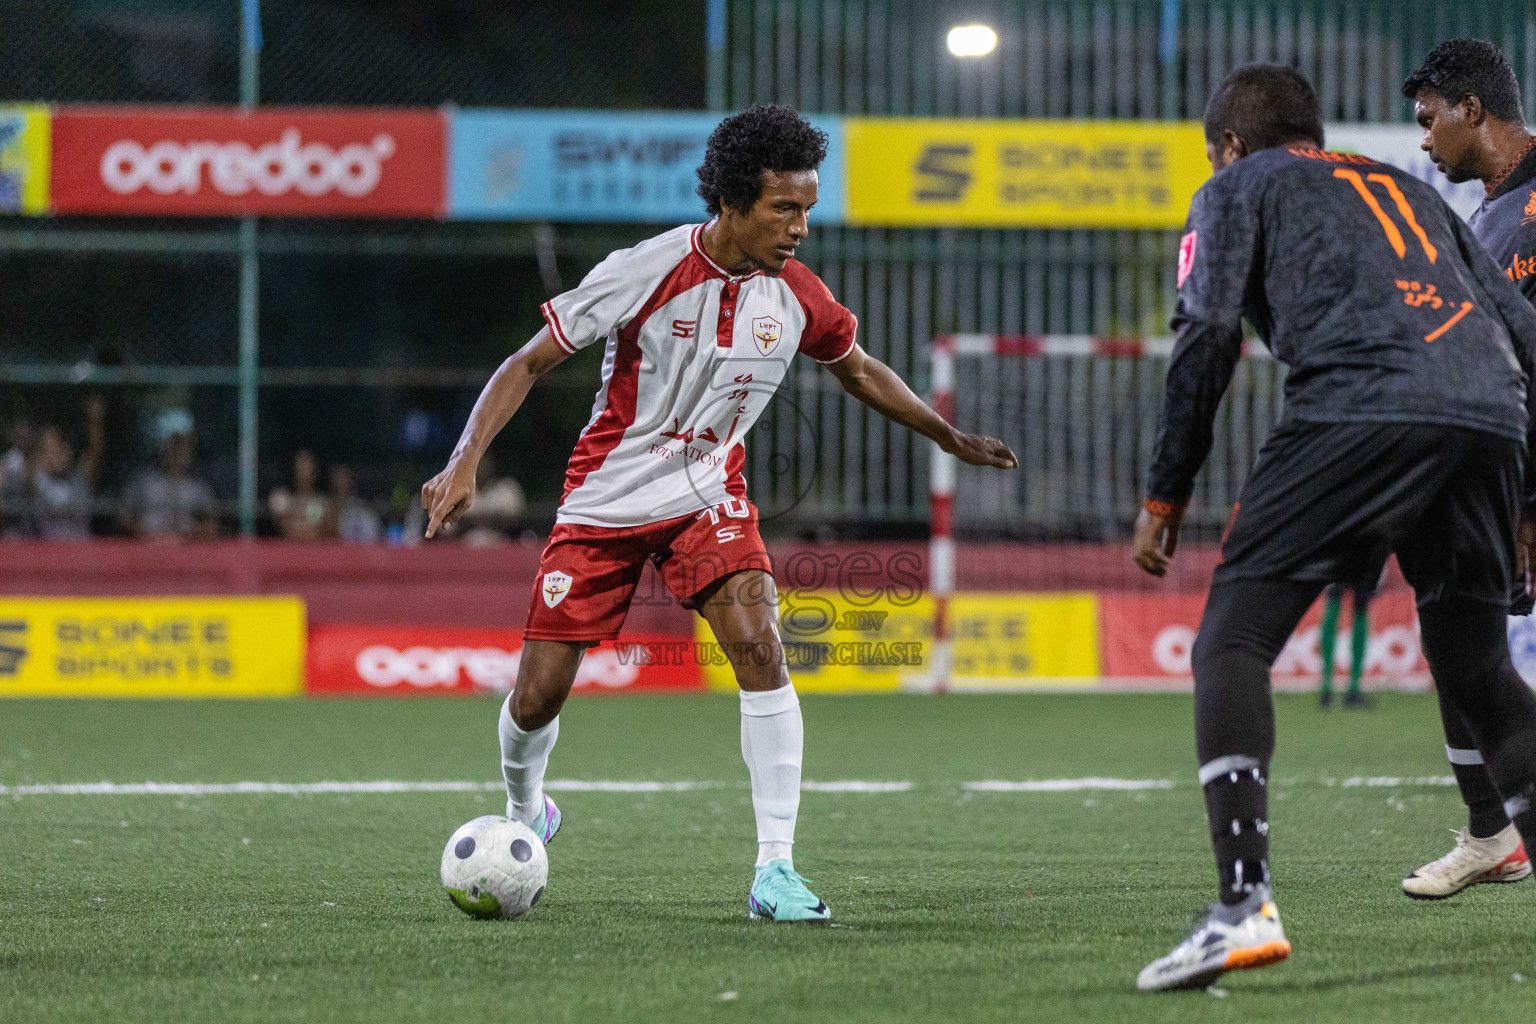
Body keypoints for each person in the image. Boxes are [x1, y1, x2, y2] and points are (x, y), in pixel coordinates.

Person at [421, 104, 1016, 923]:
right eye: (785, 208)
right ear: (734, 202)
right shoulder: (647, 268)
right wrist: (464, 459)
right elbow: (527, 362)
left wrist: (946, 435)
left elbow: (862, 369)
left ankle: (776, 870)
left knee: (762, 646)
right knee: (536, 699)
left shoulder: (797, 294)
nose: (801, 225)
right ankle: (529, 813)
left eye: (808, 207)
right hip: (607, 498)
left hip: (709, 496)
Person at [1131, 63, 1536, 991]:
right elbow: (1525, 333)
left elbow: (1206, 333)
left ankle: (1242, 905)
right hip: (1490, 414)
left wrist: (1165, 496)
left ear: (1230, 146)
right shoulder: (1412, 190)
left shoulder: (1235, 186)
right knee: (1478, 667)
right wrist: (1529, 497)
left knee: (1231, 639)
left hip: (1359, 402)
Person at [1402, 37, 1536, 898]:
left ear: (1472, 112)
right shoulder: (1489, 217)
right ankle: (1492, 833)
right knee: (1459, 638)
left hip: (1521, 495)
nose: (1424, 142)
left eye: (1428, 122)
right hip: (1498, 482)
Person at [120, 413, 219, 540]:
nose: (177, 451)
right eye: (173, 445)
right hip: (147, 549)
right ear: (163, 447)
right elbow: (124, 517)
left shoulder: (198, 487)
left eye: (183, 445)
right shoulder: (143, 482)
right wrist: (146, 535)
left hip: (187, 551)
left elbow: (211, 525)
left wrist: (188, 535)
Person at [30, 397, 104, 539]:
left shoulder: (81, 477)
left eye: (63, 450)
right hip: (49, 555)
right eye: (53, 450)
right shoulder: (37, 479)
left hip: (81, 554)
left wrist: (96, 422)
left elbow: (96, 451)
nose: (60, 455)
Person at [1316, 568, 1381, 709]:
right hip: (1361, 556)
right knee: (1356, 609)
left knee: (1338, 605)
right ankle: (1349, 688)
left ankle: (1331, 688)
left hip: (1342, 555)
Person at [270, 449, 332, 541]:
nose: (303, 473)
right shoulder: (281, 497)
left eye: (307, 467)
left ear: (315, 471)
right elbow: (289, 529)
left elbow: (319, 532)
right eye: (300, 467)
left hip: (315, 551)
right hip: (289, 551)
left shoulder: (323, 502)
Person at [329, 463, 382, 544]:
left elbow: (373, 537)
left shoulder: (363, 509)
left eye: (343, 478)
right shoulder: (326, 507)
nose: (340, 483)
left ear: (350, 480)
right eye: (337, 478)